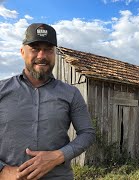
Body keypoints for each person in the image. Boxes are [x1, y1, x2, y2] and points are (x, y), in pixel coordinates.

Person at [0, 23, 95, 179]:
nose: (41, 56)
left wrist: (58, 156)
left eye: (48, 50)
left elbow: (87, 134)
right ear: (22, 52)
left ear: (54, 54)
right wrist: (3, 170)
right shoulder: (2, 90)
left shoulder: (71, 93)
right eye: (35, 48)